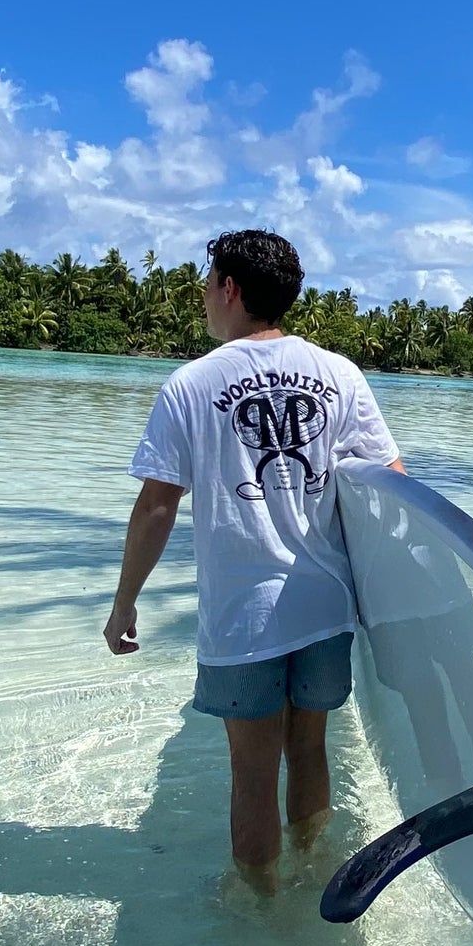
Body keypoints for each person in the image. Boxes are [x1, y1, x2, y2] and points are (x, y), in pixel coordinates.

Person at [103, 228, 403, 892]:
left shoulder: (190, 384)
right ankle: (313, 871)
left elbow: (157, 506)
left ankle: (261, 914)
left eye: (208, 285)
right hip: (326, 608)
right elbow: (391, 481)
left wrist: (125, 601)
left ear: (230, 288)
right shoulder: (340, 373)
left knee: (252, 773)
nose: (205, 299)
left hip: (244, 617)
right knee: (309, 750)